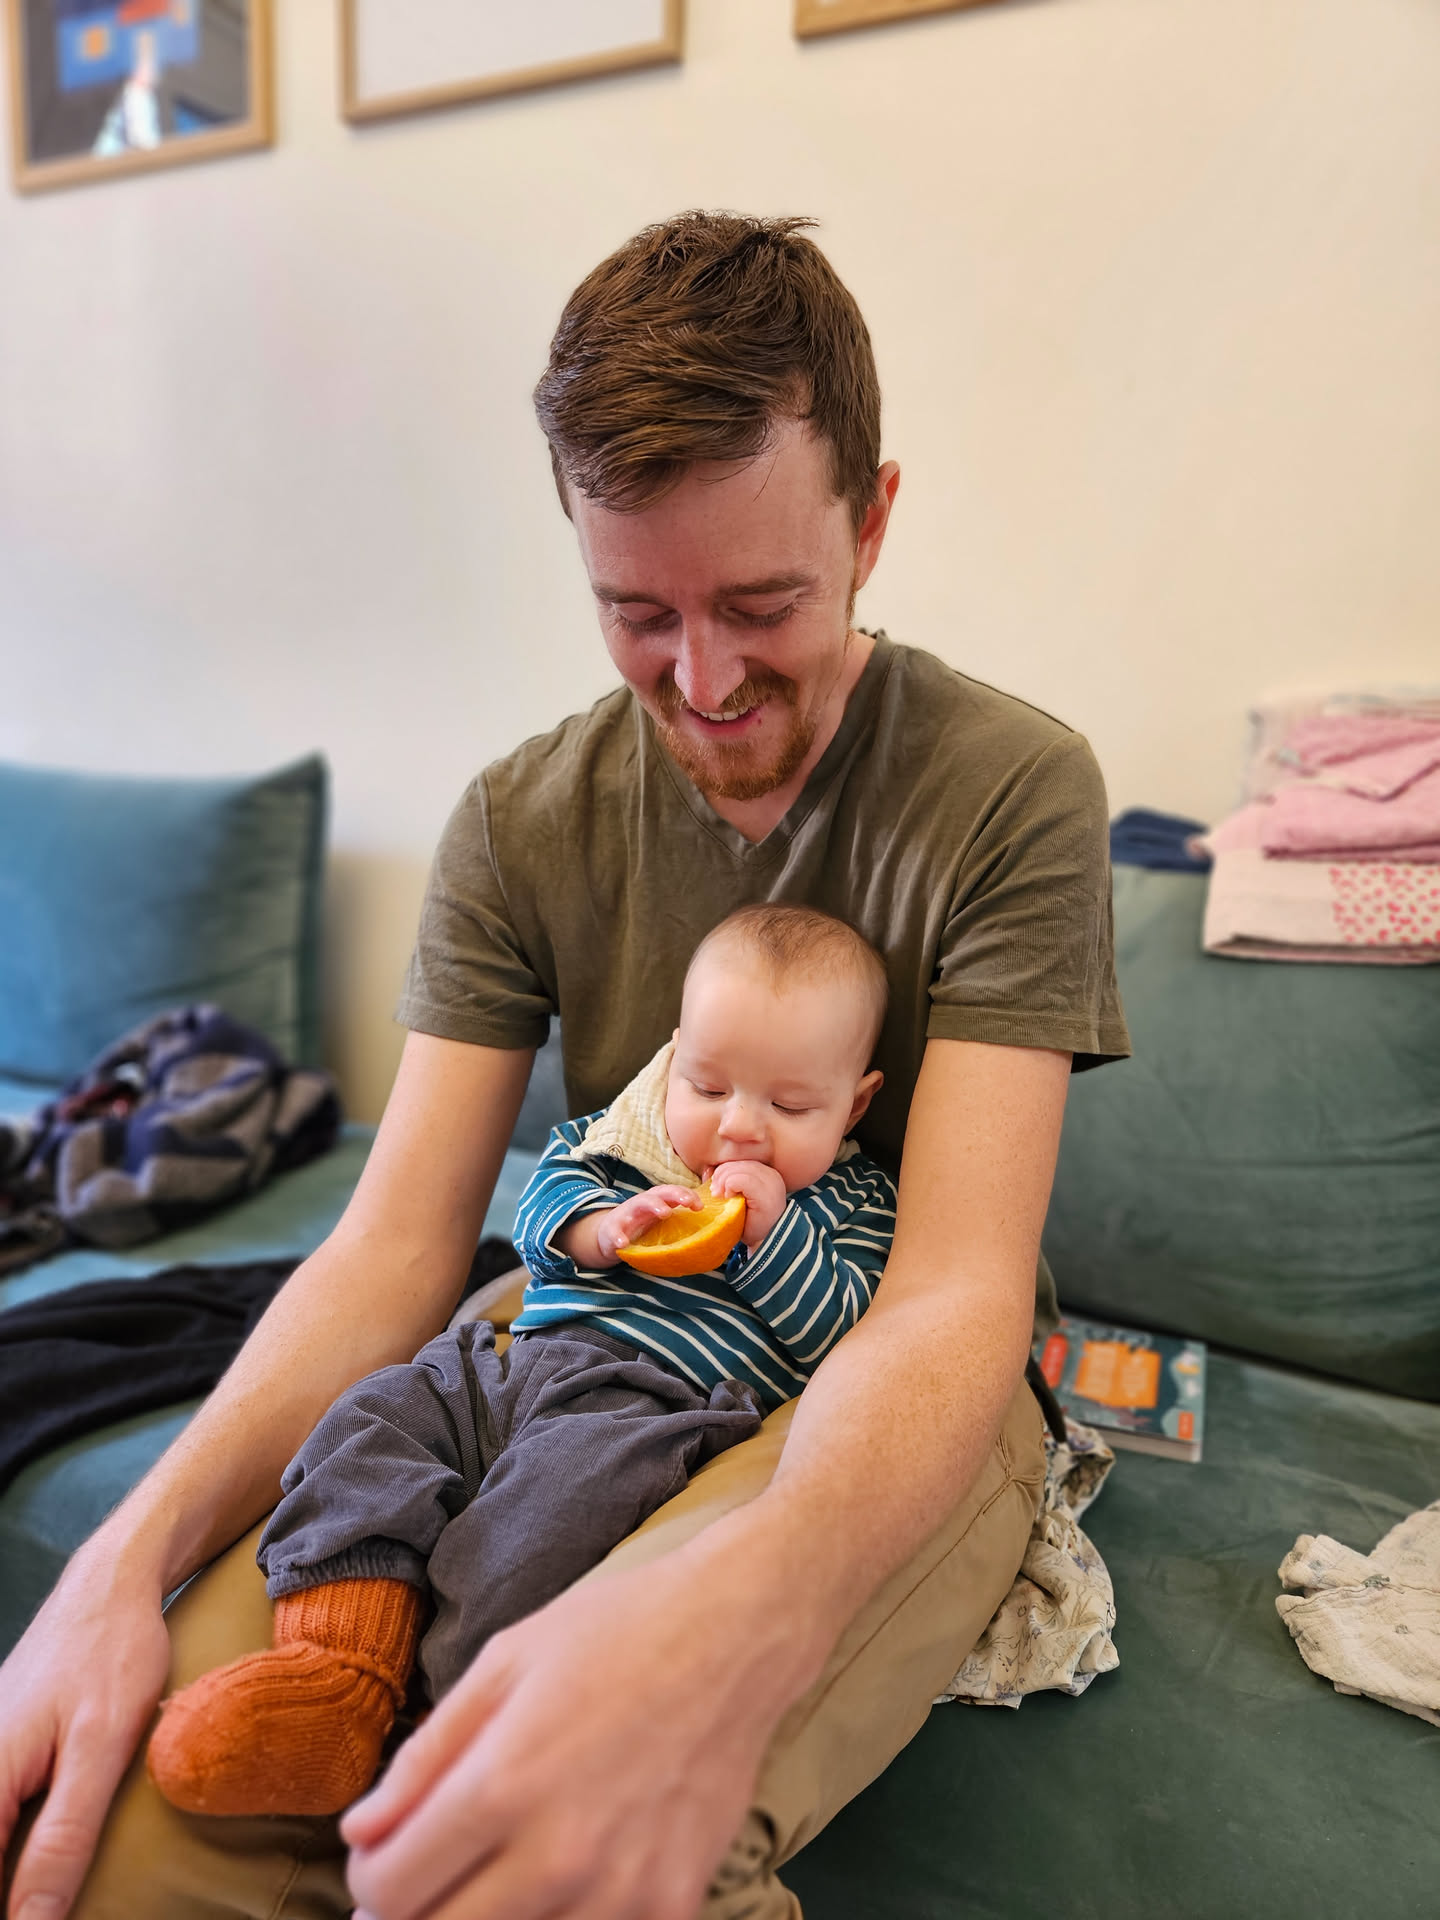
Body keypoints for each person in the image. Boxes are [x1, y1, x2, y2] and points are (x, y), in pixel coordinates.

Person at [0, 210, 1129, 1920]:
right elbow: (394, 1245)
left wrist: (744, 1604)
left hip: (875, 1367)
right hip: (581, 1325)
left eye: (762, 605)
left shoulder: (1013, 788)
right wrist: (117, 1565)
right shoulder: (518, 819)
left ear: (873, 522)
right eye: (638, 613)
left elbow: (955, 1294)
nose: (706, 680)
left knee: (561, 1856)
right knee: (140, 1847)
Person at [143, 904, 898, 1817]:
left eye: (789, 1106)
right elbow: (540, 1212)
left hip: (644, 1406)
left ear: (855, 1102)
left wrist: (769, 1237)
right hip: (510, 1363)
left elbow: (842, 1327)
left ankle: (449, 1726)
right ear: (674, 1059)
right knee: (374, 1415)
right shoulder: (627, 1143)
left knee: (544, 1517)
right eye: (707, 1085)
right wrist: (601, 1229)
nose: (739, 1127)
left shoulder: (855, 1204)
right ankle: (338, 1671)